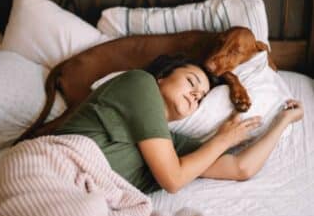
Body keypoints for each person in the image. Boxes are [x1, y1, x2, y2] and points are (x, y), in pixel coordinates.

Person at [52, 54, 304, 194]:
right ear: (161, 78)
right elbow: (173, 179)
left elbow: (241, 168)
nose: (196, 95)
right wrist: (223, 140)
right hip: (53, 169)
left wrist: (283, 121)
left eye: (202, 97)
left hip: (84, 199)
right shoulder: (140, 83)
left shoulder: (171, 149)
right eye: (192, 82)